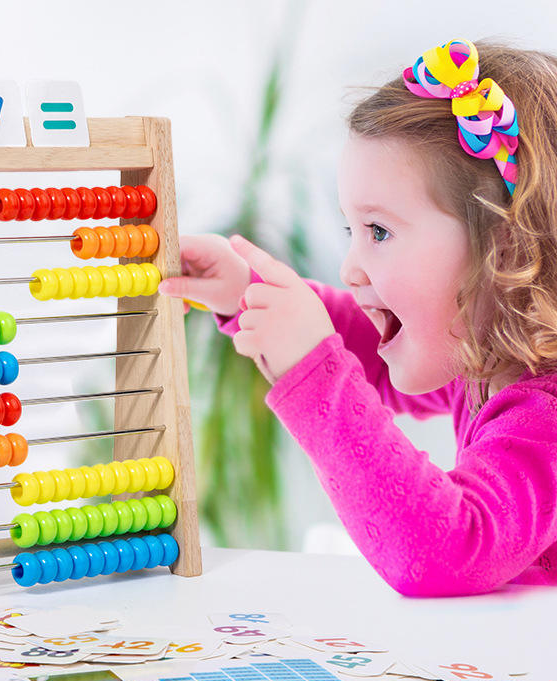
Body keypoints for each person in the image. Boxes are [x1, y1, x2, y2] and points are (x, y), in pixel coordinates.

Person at [159, 38, 557, 596]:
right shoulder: (486, 360)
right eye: (353, 231)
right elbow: (371, 351)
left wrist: (314, 377)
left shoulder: (547, 416)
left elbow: (448, 552)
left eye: (379, 231)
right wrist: (246, 289)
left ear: (505, 251)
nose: (351, 268)